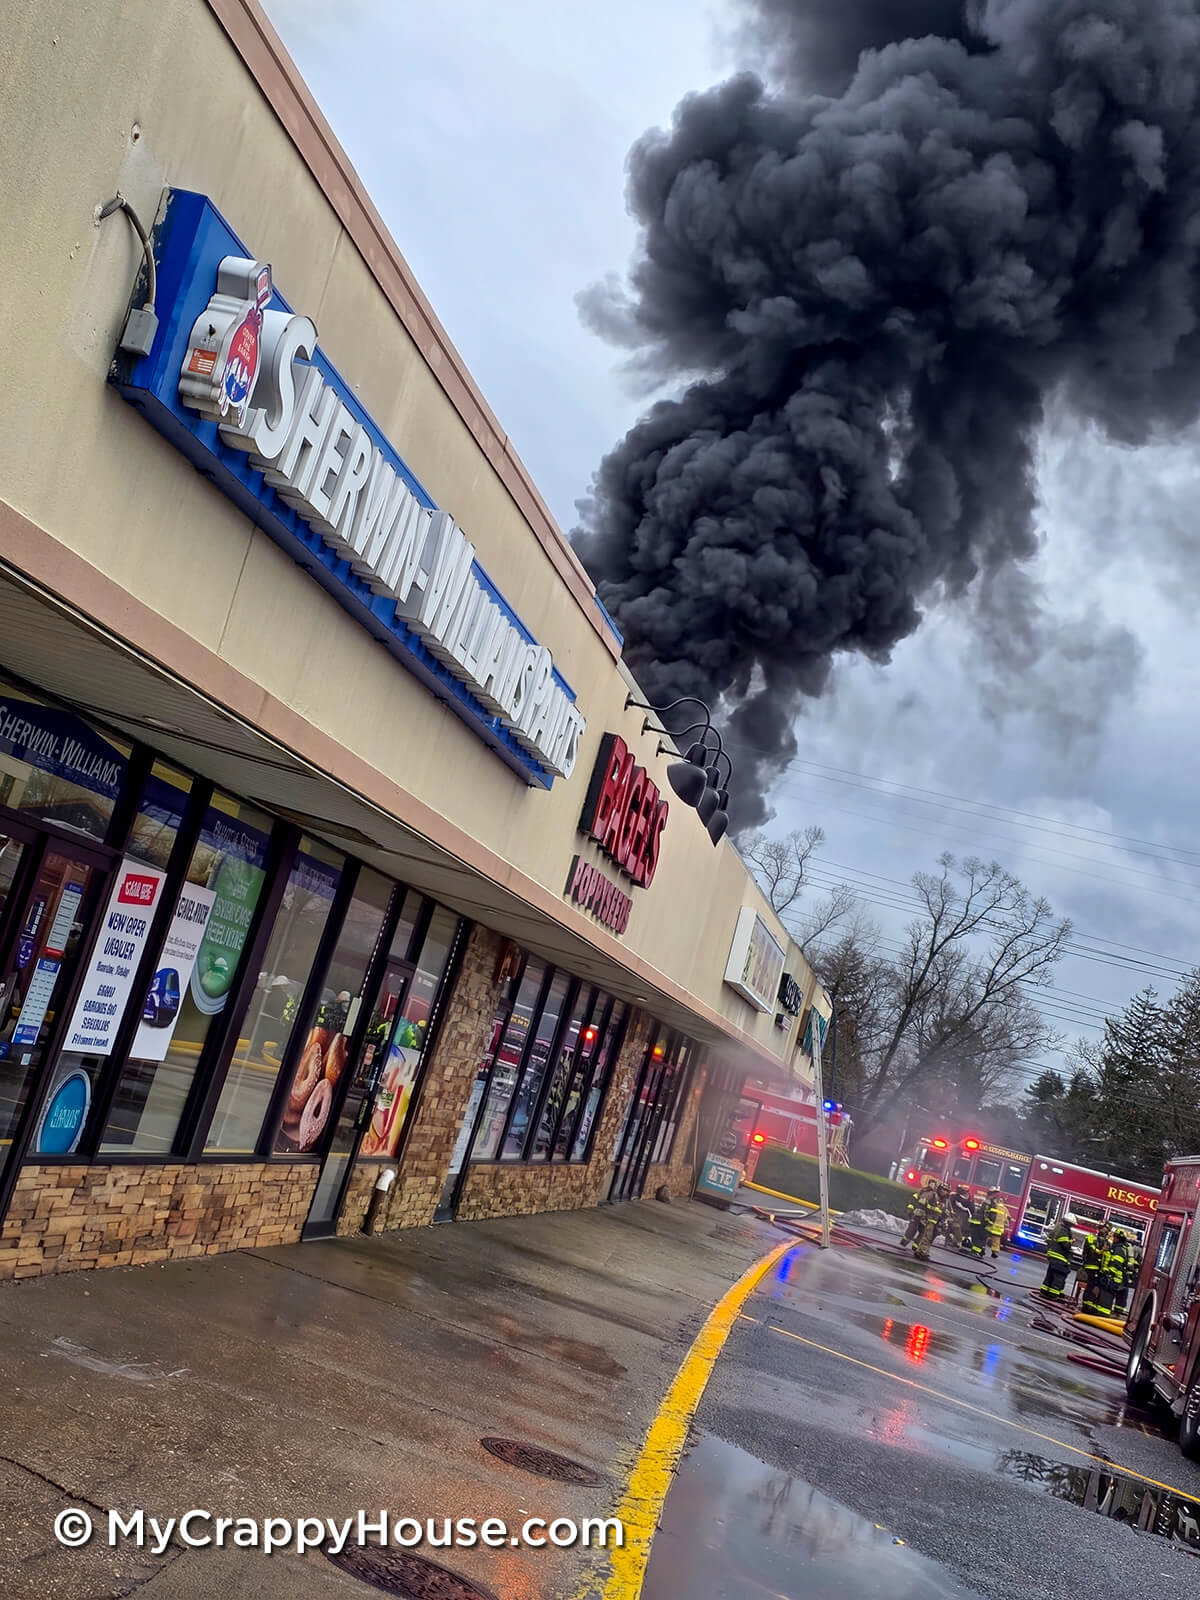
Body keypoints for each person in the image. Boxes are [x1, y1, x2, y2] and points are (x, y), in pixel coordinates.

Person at [1039, 1214, 1076, 1299]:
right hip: (1060, 1257)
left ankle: (1044, 1291)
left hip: (1053, 1256)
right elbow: (1065, 1245)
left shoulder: (1057, 1228)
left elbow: (1048, 1240)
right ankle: (1053, 1295)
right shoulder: (1064, 1230)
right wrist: (1071, 1242)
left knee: (1050, 1275)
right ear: (1069, 1223)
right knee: (1059, 1276)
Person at [1097, 1229, 1132, 1318]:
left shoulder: (1118, 1250)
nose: (1113, 1238)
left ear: (1119, 1239)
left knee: (1106, 1298)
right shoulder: (1116, 1248)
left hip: (1113, 1279)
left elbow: (1116, 1265)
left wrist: (1108, 1274)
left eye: (1115, 1237)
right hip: (1113, 1278)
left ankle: (1102, 1316)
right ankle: (1103, 1314)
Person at [1078, 1223, 1111, 1315]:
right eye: (1105, 1229)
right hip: (1091, 1266)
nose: (1106, 1231)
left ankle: (1091, 1306)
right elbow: (1092, 1250)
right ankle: (1086, 1306)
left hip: (1100, 1269)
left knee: (1095, 1288)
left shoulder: (1107, 1242)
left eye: (1107, 1230)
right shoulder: (1091, 1237)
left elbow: (1107, 1256)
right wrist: (1101, 1251)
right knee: (1090, 1286)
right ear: (1100, 1229)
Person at [912, 1183, 948, 1262]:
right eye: (942, 1189)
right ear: (939, 1189)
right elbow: (922, 1203)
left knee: (931, 1238)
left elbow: (945, 1211)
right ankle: (922, 1252)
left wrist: (945, 1216)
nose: (943, 1191)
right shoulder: (933, 1195)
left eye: (946, 1190)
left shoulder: (945, 1200)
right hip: (928, 1219)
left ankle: (921, 1251)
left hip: (936, 1221)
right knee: (927, 1236)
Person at [983, 1188, 1009, 1259]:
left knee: (985, 1237)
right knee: (996, 1241)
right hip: (999, 1229)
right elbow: (1008, 1218)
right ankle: (995, 1252)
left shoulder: (994, 1205)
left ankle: (982, 1248)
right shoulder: (1005, 1209)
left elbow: (987, 1213)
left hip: (991, 1225)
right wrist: (1006, 1225)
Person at [945, 1184, 973, 1250]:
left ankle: (955, 1243)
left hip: (965, 1216)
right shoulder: (955, 1196)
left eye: (964, 1191)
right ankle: (959, 1241)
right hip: (956, 1214)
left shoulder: (970, 1199)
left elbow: (971, 1208)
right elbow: (950, 1204)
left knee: (960, 1229)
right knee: (956, 1226)